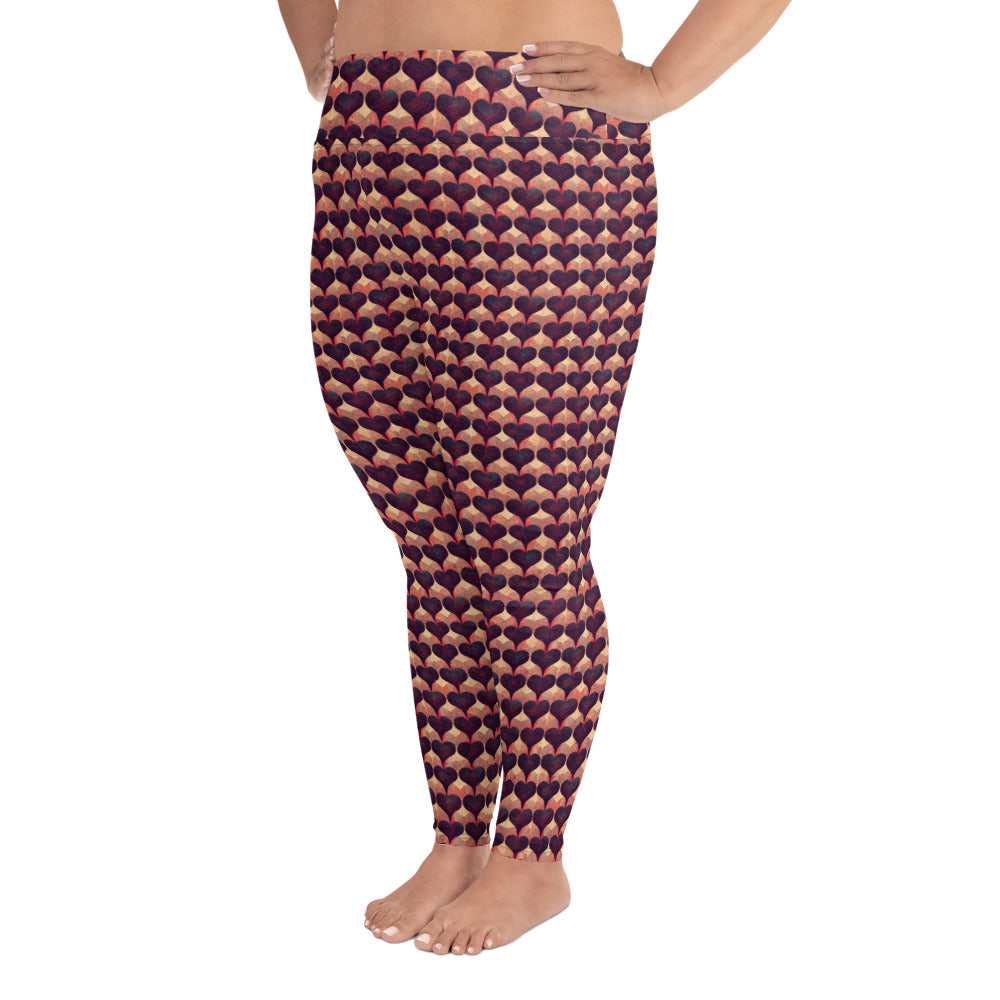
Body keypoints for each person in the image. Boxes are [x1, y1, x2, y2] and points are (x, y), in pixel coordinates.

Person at [279, 0, 792, 955]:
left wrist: (663, 83)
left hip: (530, 132)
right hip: (362, 141)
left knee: (526, 534)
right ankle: (458, 837)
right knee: (431, 537)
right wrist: (324, 57)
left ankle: (532, 855)